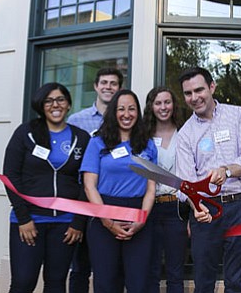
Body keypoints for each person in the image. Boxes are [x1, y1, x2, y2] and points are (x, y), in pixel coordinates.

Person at [175, 67, 241, 293]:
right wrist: (197, 207)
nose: (195, 97)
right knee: (203, 280)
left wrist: (227, 170)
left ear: (212, 87)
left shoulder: (238, 114)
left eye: (199, 90)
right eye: (188, 93)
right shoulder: (184, 134)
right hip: (206, 211)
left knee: (236, 281)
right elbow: (185, 183)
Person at [3, 83, 91, 293]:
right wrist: (24, 218)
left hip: (66, 225)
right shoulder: (25, 133)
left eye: (60, 99)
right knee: (23, 282)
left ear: (69, 104)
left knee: (56, 282)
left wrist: (78, 222)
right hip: (28, 222)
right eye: (49, 101)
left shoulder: (82, 138)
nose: (55, 105)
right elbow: (11, 176)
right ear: (41, 106)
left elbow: (86, 182)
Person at [81, 89, 157, 293]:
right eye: (121, 109)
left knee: (138, 283)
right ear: (113, 112)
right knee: (106, 283)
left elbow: (151, 188)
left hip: (139, 213)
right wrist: (107, 220)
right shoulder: (97, 143)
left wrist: (141, 219)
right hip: (104, 213)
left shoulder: (148, 145)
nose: (126, 114)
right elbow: (89, 185)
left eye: (132, 109)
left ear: (138, 113)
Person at [66, 67, 124, 293]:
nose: (108, 87)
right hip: (83, 202)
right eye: (104, 83)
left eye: (113, 83)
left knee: (111, 266)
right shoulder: (76, 120)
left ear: (119, 88)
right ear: (96, 86)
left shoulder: (125, 122)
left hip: (112, 200)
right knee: (80, 266)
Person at [142, 87, 188, 293]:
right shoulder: (142, 136)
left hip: (176, 209)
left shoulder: (185, 132)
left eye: (167, 102)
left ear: (174, 105)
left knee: (175, 272)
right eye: (158, 103)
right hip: (150, 208)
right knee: (150, 270)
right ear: (151, 106)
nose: (163, 107)